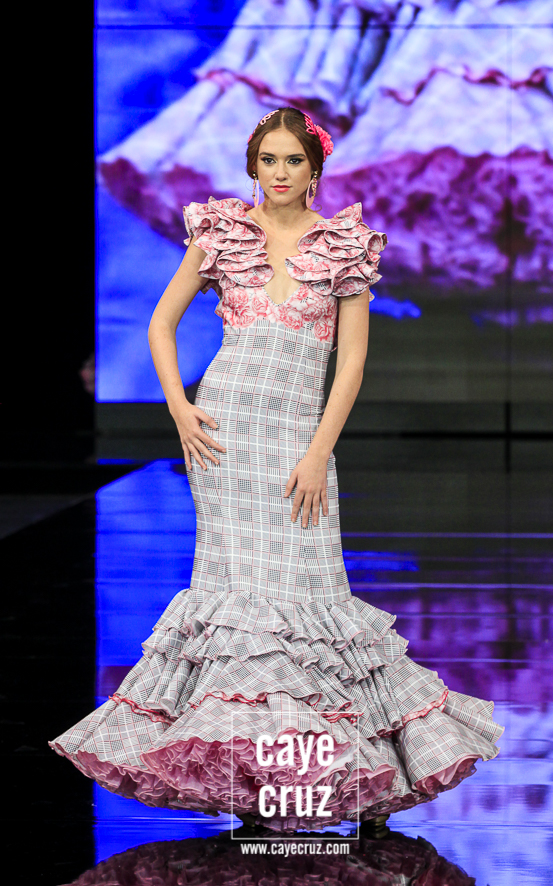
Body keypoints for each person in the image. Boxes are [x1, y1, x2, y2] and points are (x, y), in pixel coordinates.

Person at [49, 107, 503, 836]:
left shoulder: (344, 244)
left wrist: (320, 450)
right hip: (225, 435)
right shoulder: (222, 235)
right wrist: (179, 408)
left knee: (312, 593)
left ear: (314, 170)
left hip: (298, 436)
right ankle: (258, 774)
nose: (281, 172)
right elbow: (161, 323)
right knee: (237, 601)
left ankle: (346, 768)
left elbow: (351, 361)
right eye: (269, 160)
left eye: (294, 160)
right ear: (252, 166)